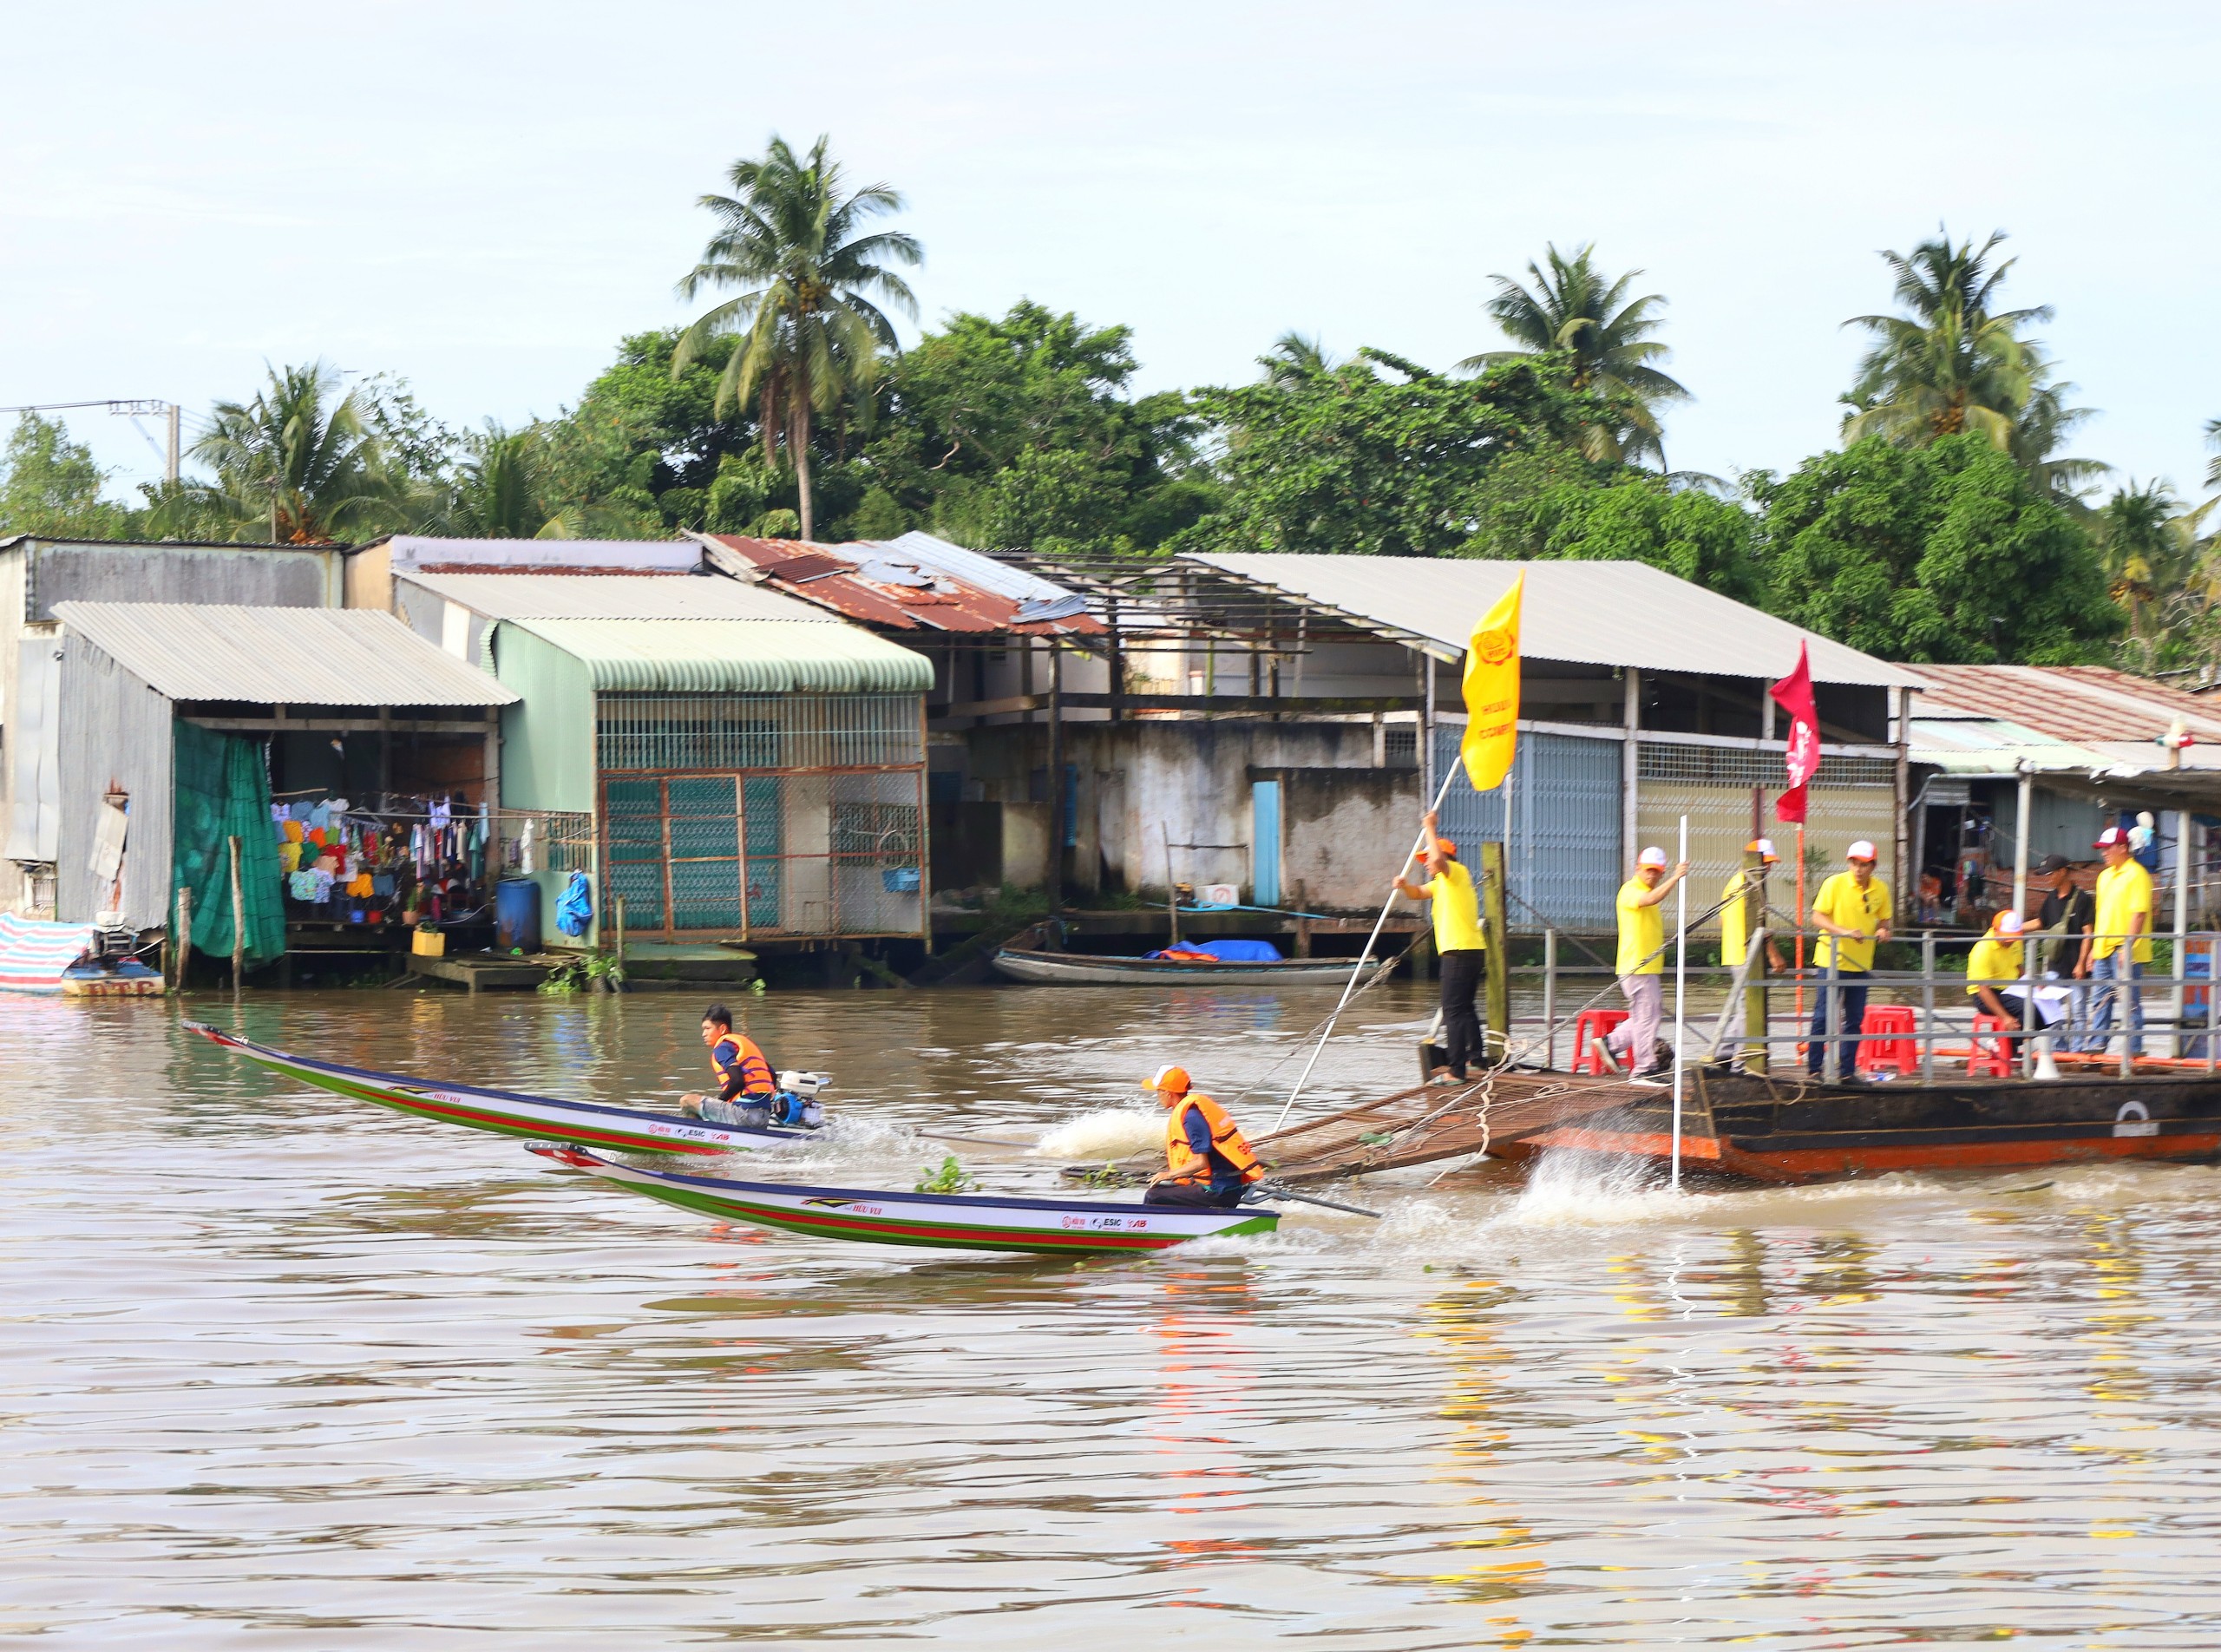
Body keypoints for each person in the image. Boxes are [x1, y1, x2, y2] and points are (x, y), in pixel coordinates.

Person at [1393, 810, 1487, 1082]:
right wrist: (1404, 886)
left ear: (1444, 858)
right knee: (1465, 1008)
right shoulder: (1441, 884)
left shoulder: (1455, 873)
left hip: (1458, 953)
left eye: (1428, 859)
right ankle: (1476, 1058)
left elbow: (1437, 859)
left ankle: (1456, 1071)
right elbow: (1417, 893)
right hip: (1468, 951)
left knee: (1453, 1011)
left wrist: (1429, 828)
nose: (1427, 864)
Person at [1602, 847, 1689, 1080]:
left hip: (1646, 967)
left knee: (1648, 1015)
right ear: (1638, 868)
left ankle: (1611, 1043)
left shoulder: (1645, 888)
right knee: (1647, 1017)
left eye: (1657, 872)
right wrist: (1675, 878)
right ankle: (1643, 1069)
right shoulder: (1630, 890)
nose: (1652, 875)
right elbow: (1650, 899)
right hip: (1637, 967)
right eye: (1648, 870)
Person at [1807, 841, 1891, 1079]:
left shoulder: (1880, 889)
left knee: (1854, 1019)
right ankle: (1814, 1069)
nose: (1858, 869)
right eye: (1854, 863)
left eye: (1864, 864)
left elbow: (1884, 920)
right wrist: (1843, 931)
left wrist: (1884, 930)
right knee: (1823, 1016)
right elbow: (1817, 917)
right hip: (1831, 960)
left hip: (1861, 963)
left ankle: (1847, 1072)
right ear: (1849, 863)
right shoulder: (1834, 883)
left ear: (1873, 866)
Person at [1141, 1065, 1264, 1209]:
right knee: (1161, 1190)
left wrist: (1168, 1175)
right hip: (1218, 1186)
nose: (1158, 1096)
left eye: (1158, 1092)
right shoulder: (1189, 1111)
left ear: (1168, 1093)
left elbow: (1201, 1163)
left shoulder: (1191, 1118)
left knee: (1153, 1196)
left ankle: (1147, 1226)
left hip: (1218, 1192)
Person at [2080, 825, 2152, 1057]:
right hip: (2103, 946)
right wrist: (2092, 950)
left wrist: (2128, 946)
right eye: (2102, 849)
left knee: (2129, 1000)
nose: (2104, 853)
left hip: (2125, 948)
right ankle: (2097, 1046)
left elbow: (2138, 913)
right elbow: (2102, 914)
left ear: (2123, 848)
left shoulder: (2137, 874)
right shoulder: (2104, 876)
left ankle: (2133, 1049)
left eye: (2108, 848)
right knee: (2100, 999)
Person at [1718, 838, 1785, 1065]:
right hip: (1745, 956)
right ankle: (1739, 1062)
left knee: (1742, 1009)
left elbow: (1722, 920)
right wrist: (1773, 954)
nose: (1769, 867)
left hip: (1735, 952)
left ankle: (1725, 1054)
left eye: (1770, 863)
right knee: (1748, 1010)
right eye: (1766, 862)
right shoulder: (1750, 886)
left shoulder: (1735, 882)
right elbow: (1760, 927)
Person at [1965, 909, 2058, 1037]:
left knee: (2050, 1009)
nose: (2010, 941)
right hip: (1988, 993)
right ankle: (2003, 1042)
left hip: (2012, 989)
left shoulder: (2015, 942)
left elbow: (2018, 968)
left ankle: (2005, 1041)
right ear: (1995, 930)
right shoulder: (1983, 950)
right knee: (2029, 1009)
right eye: (2007, 938)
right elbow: (1983, 990)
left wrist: (2034, 986)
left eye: (2013, 938)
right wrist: (2005, 1017)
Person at [2034, 854, 2095, 1049]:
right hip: (2055, 965)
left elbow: (2088, 932)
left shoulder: (2082, 899)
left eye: (2050, 874)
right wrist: (2015, 929)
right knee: (2051, 1008)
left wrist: (2081, 963)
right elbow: (2040, 922)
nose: (2048, 878)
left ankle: (2077, 1050)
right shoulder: (2051, 898)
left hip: (2076, 966)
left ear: (2062, 872)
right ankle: (2059, 1047)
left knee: (2078, 1010)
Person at [680, 1003, 778, 1122]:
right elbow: (772, 1074)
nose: (703, 1034)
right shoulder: (741, 1045)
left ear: (722, 1029)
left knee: (686, 1101)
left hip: (744, 1115)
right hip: (763, 1117)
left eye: (707, 1028)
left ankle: (699, 1134)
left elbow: (738, 1081)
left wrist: (720, 1101)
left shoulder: (722, 1048)